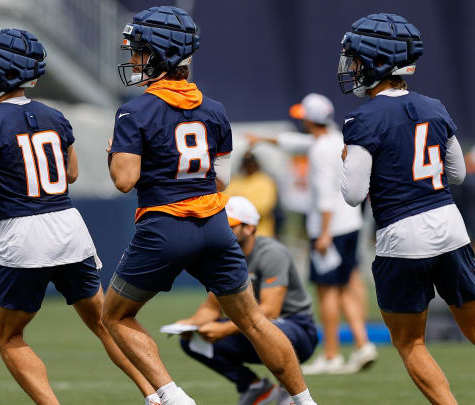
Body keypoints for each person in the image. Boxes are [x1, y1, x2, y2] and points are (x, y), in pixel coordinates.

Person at [103, 7, 317, 405]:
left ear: (161, 54)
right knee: (253, 320)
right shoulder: (215, 110)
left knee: (114, 315)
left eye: (139, 51)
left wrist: (117, 153)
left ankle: (171, 396)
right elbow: (221, 180)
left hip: (164, 225)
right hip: (216, 225)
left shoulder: (135, 110)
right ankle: (305, 401)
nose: (133, 59)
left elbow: (124, 180)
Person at [337, 13, 475, 405]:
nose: (351, 67)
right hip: (449, 225)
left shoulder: (364, 118)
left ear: (375, 62)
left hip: (402, 234)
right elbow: (458, 172)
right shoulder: (434, 106)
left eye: (355, 59)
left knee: (410, 343)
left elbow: (352, 194)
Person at [0, 29, 158, 405]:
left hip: (25, 232)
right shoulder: (54, 115)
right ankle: (156, 393)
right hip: (69, 226)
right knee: (104, 324)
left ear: (1, 71)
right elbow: (71, 174)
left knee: (7, 337)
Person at [251, 94, 376, 374]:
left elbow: (323, 197)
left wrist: (323, 234)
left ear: (309, 118)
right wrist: (261, 139)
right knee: (345, 287)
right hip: (350, 224)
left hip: (329, 229)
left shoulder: (319, 150)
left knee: (327, 293)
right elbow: (294, 143)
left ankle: (331, 355)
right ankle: (363, 344)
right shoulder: (334, 139)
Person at [176, 196, 318, 405]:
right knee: (193, 340)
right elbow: (211, 308)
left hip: (296, 327)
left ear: (250, 228)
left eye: (231, 226)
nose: (224, 231)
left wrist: (223, 330)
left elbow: (270, 311)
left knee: (270, 329)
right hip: (253, 325)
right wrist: (190, 325)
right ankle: (254, 386)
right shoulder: (224, 258)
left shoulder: (271, 253)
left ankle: (290, 390)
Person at [225, 151, 279, 237]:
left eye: (251, 162)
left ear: (256, 163)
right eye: (246, 162)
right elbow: (225, 202)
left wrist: (237, 209)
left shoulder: (266, 182)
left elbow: (264, 208)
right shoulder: (236, 181)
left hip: (259, 233)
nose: (249, 165)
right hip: (234, 233)